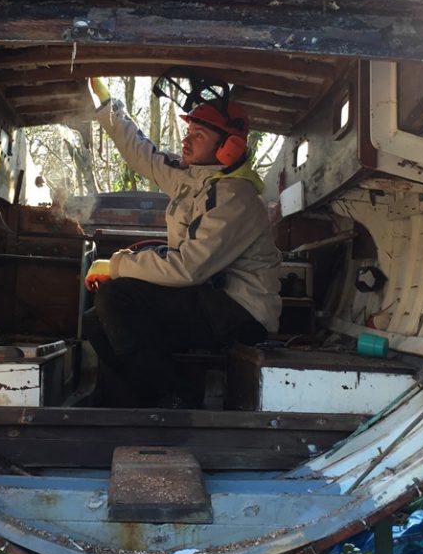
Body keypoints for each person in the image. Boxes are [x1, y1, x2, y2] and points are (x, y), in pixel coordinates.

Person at [82, 76, 281, 408]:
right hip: (210, 299)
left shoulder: (235, 196)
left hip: (242, 313)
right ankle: (126, 400)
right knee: (94, 319)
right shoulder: (195, 177)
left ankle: (175, 396)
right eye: (188, 133)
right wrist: (109, 108)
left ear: (227, 148)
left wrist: (117, 265)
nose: (187, 142)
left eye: (198, 136)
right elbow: (144, 155)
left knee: (118, 298)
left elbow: (188, 269)